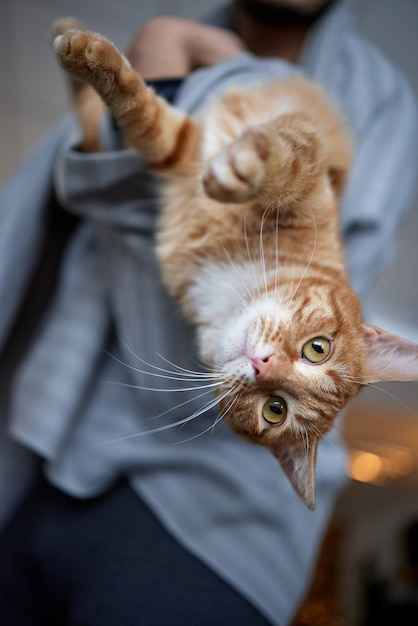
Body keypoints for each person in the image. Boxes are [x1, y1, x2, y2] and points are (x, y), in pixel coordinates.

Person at [0, 1, 416, 624]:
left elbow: (129, 195)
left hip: (207, 511)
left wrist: (168, 72)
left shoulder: (382, 98)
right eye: (316, 354)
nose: (269, 369)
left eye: (275, 404)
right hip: (63, 449)